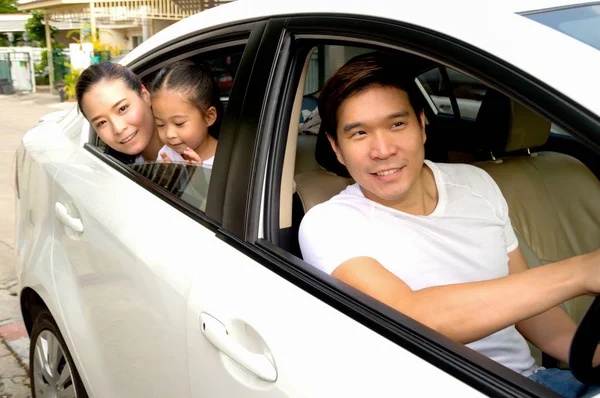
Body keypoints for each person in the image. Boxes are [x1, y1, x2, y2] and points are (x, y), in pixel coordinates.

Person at [298, 52, 600, 397]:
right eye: (359, 133)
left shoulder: (476, 184)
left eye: (397, 124)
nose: (382, 150)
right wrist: (579, 272)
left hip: (528, 382)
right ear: (337, 149)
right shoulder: (330, 223)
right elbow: (412, 318)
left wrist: (590, 356)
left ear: (422, 125)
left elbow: (530, 309)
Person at [75, 62, 163, 163]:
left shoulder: (184, 155)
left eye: (122, 108)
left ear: (144, 95)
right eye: (101, 122)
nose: (118, 128)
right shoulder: (117, 169)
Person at [150, 61, 222, 167]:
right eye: (160, 124)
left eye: (179, 123)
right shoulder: (167, 154)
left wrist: (198, 176)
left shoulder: (226, 159)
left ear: (209, 117)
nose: (169, 134)